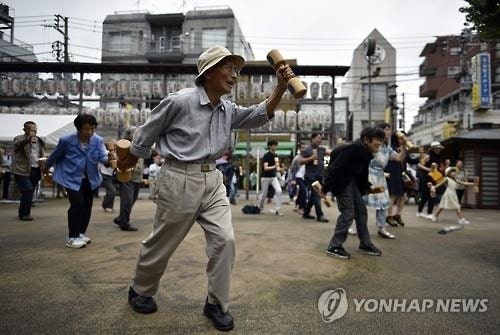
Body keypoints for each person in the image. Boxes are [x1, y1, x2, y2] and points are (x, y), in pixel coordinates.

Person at [119, 46, 296, 331]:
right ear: (209, 72)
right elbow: (144, 135)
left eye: (236, 70)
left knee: (225, 240)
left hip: (213, 179)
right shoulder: (179, 102)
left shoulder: (228, 109)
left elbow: (259, 114)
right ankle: (140, 289)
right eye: (229, 68)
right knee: (162, 242)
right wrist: (127, 163)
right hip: (179, 178)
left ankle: (216, 302)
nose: (234, 75)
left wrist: (281, 87)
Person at [45, 114, 115, 249]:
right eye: (86, 129)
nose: (89, 132)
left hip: (90, 178)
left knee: (87, 206)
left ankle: (81, 233)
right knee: (77, 205)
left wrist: (109, 159)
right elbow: (55, 156)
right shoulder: (66, 140)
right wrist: (46, 167)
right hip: (71, 178)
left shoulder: (98, 140)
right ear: (78, 129)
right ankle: (72, 236)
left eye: (92, 129)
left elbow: (103, 158)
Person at [317, 127, 386, 259]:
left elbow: (362, 173)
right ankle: (334, 246)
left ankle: (365, 244)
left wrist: (366, 187)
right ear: (366, 139)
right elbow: (336, 167)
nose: (379, 143)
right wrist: (325, 188)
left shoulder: (366, 152)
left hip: (351, 181)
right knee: (348, 212)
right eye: (376, 140)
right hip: (341, 181)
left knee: (361, 211)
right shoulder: (354, 148)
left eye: (381, 140)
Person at [364, 123, 406, 239]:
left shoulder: (388, 148)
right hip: (367, 175)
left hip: (380, 177)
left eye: (389, 130)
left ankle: (381, 228)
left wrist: (404, 147)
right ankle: (350, 225)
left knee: (383, 204)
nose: (388, 132)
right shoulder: (372, 144)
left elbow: (399, 158)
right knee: (360, 201)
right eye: (386, 129)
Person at [12, 121, 46, 220]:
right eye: (31, 130)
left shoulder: (39, 140)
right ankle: (24, 214)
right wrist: (28, 139)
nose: (34, 132)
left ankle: (25, 212)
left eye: (35, 130)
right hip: (21, 169)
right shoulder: (19, 138)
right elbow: (16, 145)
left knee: (29, 192)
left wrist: (43, 161)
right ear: (25, 130)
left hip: (35, 169)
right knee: (28, 189)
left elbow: (42, 152)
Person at [113, 127, 143, 232]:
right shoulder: (123, 146)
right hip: (127, 176)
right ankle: (124, 223)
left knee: (132, 200)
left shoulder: (140, 145)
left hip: (138, 177)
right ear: (129, 135)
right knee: (127, 201)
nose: (136, 135)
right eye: (134, 133)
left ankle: (121, 218)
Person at [300, 133, 331, 223]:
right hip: (311, 176)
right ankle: (320, 215)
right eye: (318, 138)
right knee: (317, 194)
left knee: (314, 195)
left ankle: (306, 213)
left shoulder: (321, 149)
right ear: (312, 139)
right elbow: (300, 161)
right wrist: (311, 158)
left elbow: (331, 152)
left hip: (320, 176)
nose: (319, 140)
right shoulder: (307, 149)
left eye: (320, 139)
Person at [416, 141, 446, 220]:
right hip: (426, 178)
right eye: (436, 148)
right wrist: (428, 169)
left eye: (439, 148)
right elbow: (419, 165)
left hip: (434, 178)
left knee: (431, 195)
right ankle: (423, 212)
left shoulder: (439, 157)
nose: (438, 150)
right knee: (427, 196)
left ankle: (425, 212)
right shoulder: (428, 157)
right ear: (433, 149)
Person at [258, 139, 284, 216]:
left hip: (273, 176)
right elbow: (265, 168)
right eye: (273, 145)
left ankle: (278, 209)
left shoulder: (276, 155)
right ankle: (260, 208)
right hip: (265, 177)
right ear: (270, 146)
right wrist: (274, 167)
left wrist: (280, 169)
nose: (275, 147)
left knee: (279, 190)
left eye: (276, 145)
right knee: (264, 194)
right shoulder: (266, 156)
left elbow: (277, 167)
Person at [288, 142, 307, 214]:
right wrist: (292, 179)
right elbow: (292, 169)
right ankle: (302, 207)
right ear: (299, 149)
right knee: (304, 191)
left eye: (305, 148)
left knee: (302, 192)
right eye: (302, 148)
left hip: (305, 177)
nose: (304, 149)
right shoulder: (296, 158)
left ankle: (297, 204)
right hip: (298, 177)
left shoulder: (307, 156)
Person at [100, 140, 117, 212]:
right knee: (112, 191)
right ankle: (107, 206)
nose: (114, 146)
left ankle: (107, 205)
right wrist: (111, 160)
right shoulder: (106, 154)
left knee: (110, 191)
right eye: (113, 145)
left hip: (111, 175)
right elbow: (106, 163)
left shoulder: (115, 154)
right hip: (105, 175)